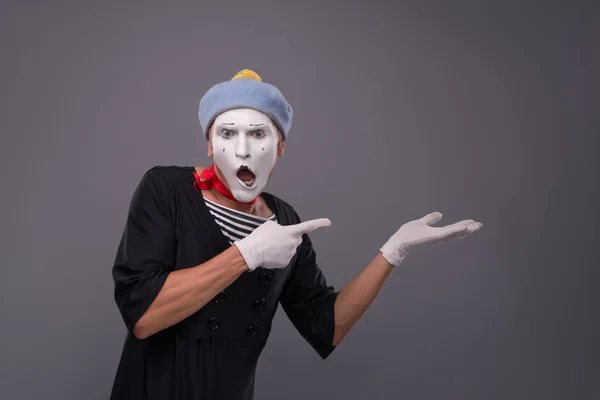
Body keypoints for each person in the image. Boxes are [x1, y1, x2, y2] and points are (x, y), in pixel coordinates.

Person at [109, 69, 482, 400]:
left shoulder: (285, 221)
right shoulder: (166, 188)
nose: (242, 149)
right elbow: (144, 315)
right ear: (209, 144)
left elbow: (327, 326)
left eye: (258, 134)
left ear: (280, 146)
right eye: (227, 133)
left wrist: (393, 251)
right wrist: (247, 254)